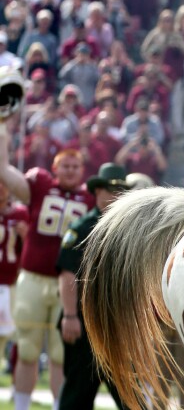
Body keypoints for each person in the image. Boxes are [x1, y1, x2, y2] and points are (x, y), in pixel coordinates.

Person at [0, 118, 94, 410]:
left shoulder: (89, 198)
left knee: (59, 354)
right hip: (32, 276)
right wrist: (3, 126)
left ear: (82, 171)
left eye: (75, 166)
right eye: (64, 165)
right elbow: (3, 170)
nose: (69, 170)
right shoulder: (40, 187)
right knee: (26, 348)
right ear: (54, 168)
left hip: (66, 283)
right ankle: (21, 407)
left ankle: (59, 407)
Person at [56, 163, 131, 410]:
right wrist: (69, 315)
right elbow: (67, 274)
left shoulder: (128, 232)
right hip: (84, 325)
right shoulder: (81, 230)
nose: (116, 196)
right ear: (97, 191)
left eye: (121, 190)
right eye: (111, 190)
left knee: (132, 397)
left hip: (117, 328)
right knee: (78, 394)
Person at [0, 181, 29, 358]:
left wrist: (26, 236)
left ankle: (17, 380)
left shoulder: (20, 213)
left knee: (16, 335)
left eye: (4, 183)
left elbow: (29, 252)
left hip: (11, 284)